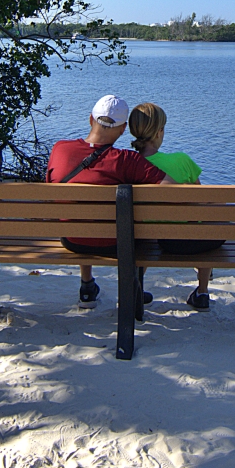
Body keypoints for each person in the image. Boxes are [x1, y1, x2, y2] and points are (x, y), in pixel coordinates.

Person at [45, 94, 174, 308]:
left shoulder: (60, 149)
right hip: (115, 243)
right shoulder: (127, 160)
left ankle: (87, 285)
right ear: (123, 129)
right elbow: (172, 190)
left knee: (79, 214)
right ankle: (134, 289)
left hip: (71, 240)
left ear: (90, 119)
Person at [127, 102, 224, 311]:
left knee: (138, 231)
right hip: (195, 243)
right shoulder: (182, 161)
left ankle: (136, 286)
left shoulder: (129, 165)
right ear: (159, 132)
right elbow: (203, 202)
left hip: (161, 242)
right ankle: (202, 291)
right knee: (209, 218)